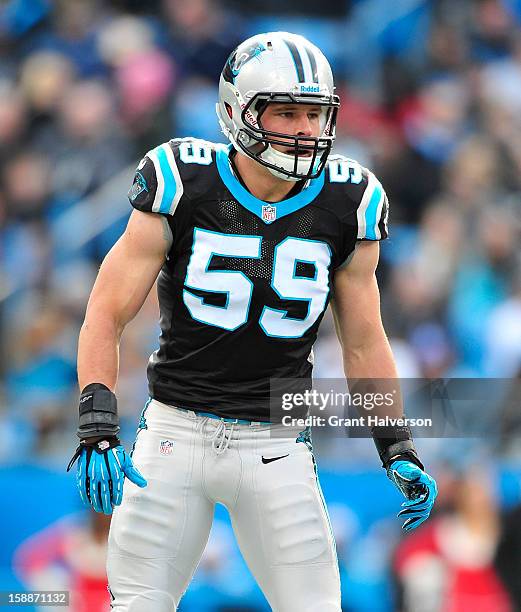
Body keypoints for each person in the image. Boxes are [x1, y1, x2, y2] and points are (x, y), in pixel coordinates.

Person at [67, 32, 437, 611]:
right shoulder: (182, 180)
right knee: (138, 604)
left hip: (274, 442)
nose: (303, 130)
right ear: (237, 111)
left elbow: (365, 342)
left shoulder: (351, 199)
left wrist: (397, 444)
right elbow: (105, 313)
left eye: (313, 114)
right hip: (172, 435)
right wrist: (96, 423)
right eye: (285, 112)